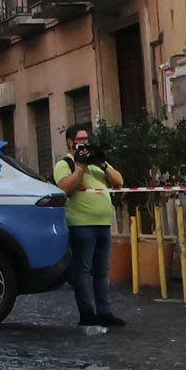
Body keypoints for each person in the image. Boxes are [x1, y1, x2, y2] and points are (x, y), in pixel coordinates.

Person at [56, 123, 126, 332]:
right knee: (83, 271)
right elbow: (65, 188)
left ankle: (105, 312)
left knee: (103, 271)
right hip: (81, 225)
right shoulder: (65, 164)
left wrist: (102, 163)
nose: (85, 143)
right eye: (80, 140)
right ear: (70, 142)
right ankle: (87, 314)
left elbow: (119, 182)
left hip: (103, 224)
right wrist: (81, 167)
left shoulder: (97, 163)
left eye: (87, 139)